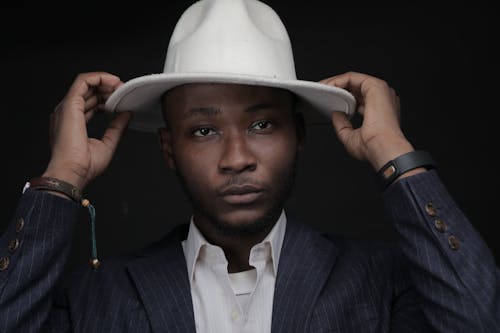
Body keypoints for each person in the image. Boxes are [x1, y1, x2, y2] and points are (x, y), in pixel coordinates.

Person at [0, 0, 498, 332]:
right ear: (168, 147)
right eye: (203, 130)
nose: (237, 159)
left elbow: (477, 319)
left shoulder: (383, 282)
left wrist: (394, 152)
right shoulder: (95, 295)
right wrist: (61, 178)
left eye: (262, 125)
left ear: (298, 135)